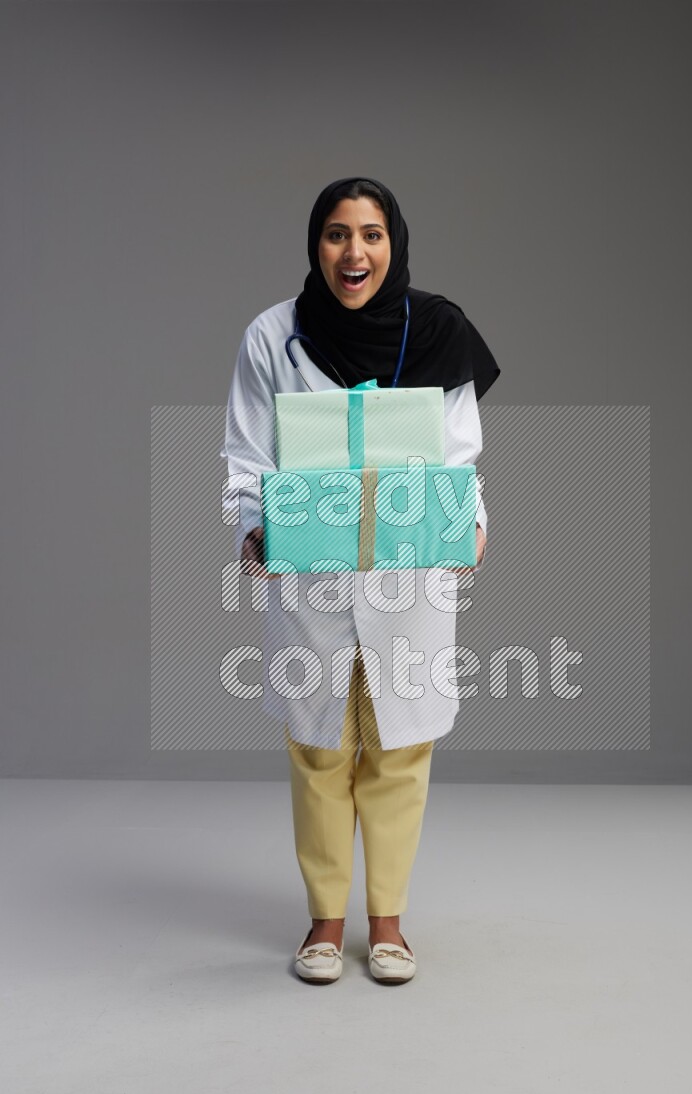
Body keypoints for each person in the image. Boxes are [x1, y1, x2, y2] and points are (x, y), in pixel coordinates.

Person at [221, 177, 499, 984]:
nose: (355, 252)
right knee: (318, 746)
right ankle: (323, 921)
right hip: (311, 572)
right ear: (316, 245)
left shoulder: (438, 330)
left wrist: (471, 518)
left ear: (394, 243)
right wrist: (252, 524)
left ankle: (388, 924)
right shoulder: (274, 336)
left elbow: (458, 451)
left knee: (401, 745)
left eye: (371, 234)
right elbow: (246, 451)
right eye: (338, 234)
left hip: (408, 571)